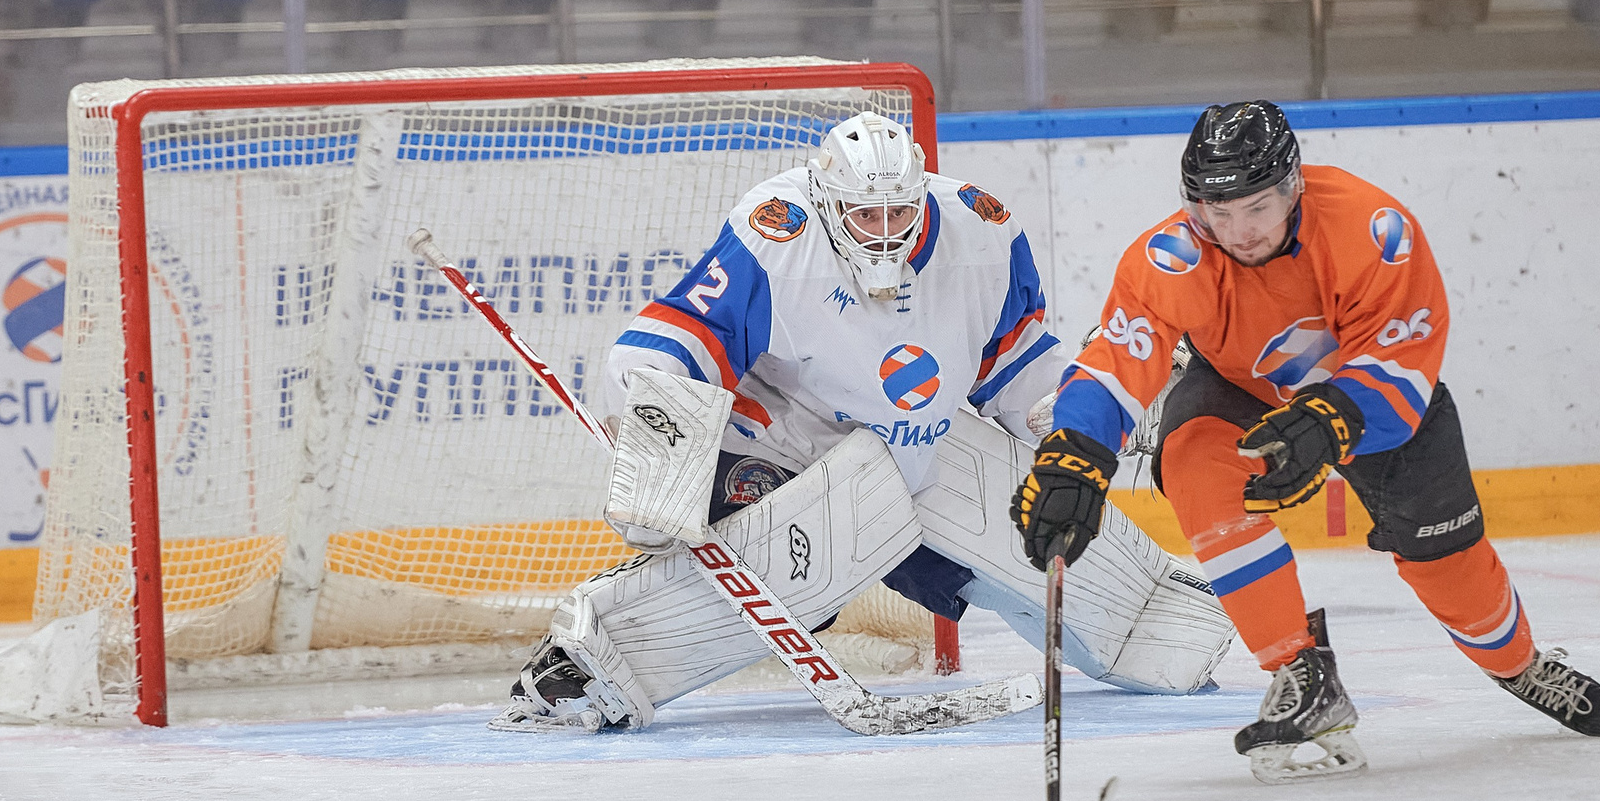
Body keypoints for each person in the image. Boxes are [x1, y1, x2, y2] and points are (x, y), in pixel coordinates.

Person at [496, 112, 1233, 733]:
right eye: (864, 216)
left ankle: (1159, 620)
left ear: (922, 195)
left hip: (925, 455)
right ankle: (586, 666)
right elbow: (673, 343)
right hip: (784, 449)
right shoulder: (774, 238)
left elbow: (1016, 371)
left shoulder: (984, 234)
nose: (883, 232)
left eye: (899, 213)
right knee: (795, 573)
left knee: (1039, 523)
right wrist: (656, 446)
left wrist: (1090, 417)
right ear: (825, 199)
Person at [1012, 99, 1600, 783]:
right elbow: (1116, 363)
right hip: (1240, 385)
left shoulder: (1373, 229)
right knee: (1189, 463)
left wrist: (1333, 421)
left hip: (1371, 402)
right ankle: (1301, 674)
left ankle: (1520, 664)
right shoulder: (1170, 257)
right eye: (1219, 211)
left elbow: (1403, 359)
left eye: (1257, 208)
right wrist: (1074, 453)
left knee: (1449, 567)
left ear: (1293, 186)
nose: (1237, 231)